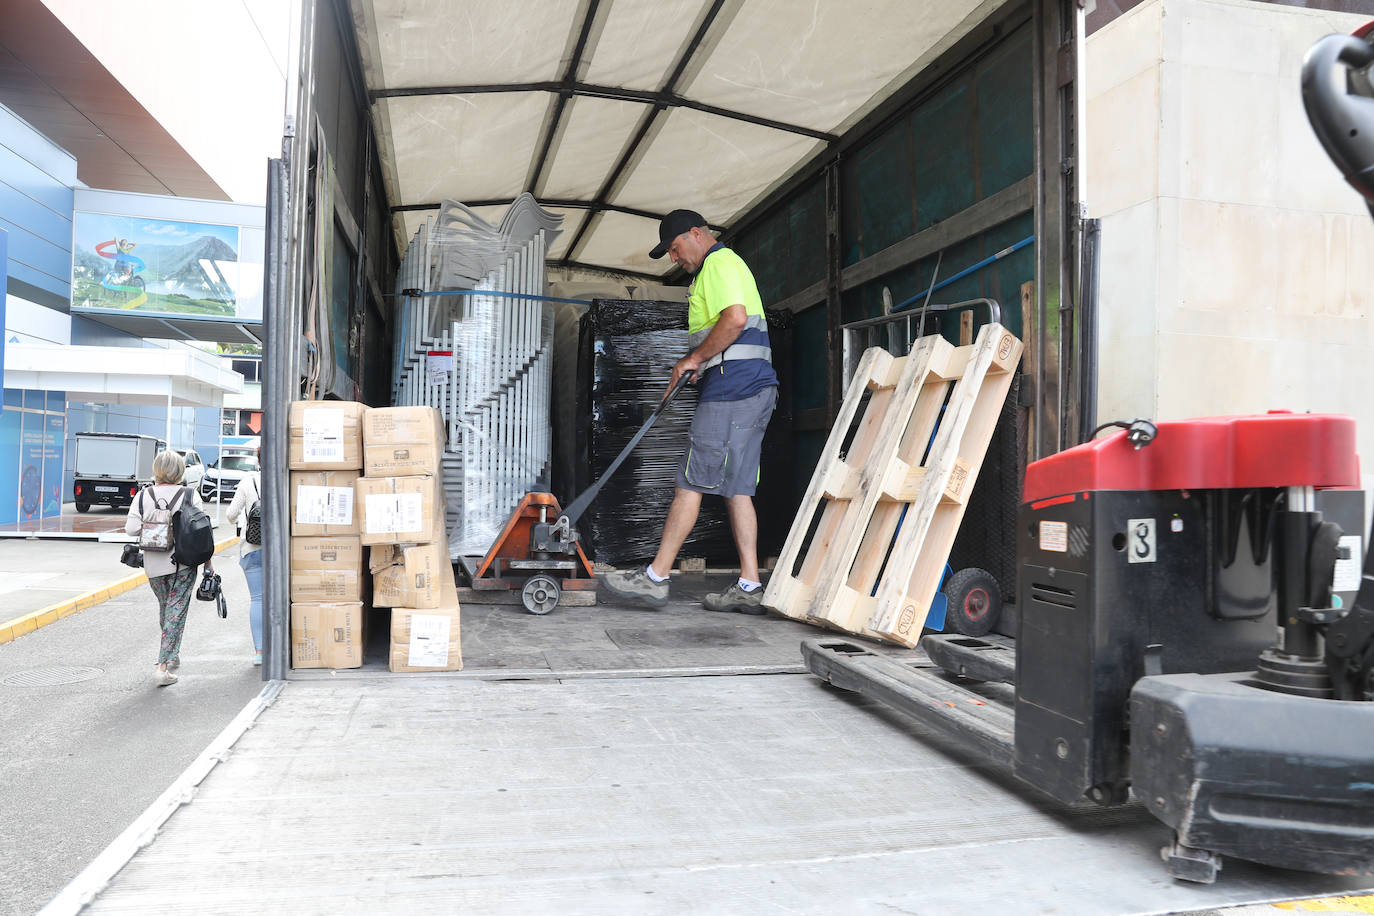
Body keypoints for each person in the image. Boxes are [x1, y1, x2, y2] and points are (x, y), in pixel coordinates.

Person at [600, 209, 779, 615]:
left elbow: (733, 321)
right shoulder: (724, 266)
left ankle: (655, 579)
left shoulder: (718, 262)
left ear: (696, 234)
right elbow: (731, 330)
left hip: (733, 391)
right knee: (737, 489)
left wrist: (694, 358)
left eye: (675, 248)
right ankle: (749, 585)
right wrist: (703, 363)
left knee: (690, 482)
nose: (673, 258)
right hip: (749, 388)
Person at [124, 449, 215, 686]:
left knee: (166, 609)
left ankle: (171, 654)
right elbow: (201, 532)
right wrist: (208, 564)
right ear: (180, 471)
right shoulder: (189, 494)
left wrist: (154, 519)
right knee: (176, 612)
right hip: (183, 563)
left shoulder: (143, 496)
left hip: (153, 564)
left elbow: (131, 529)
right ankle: (162, 667)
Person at [225, 448, 263, 665]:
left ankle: (260, 652)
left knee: (257, 599)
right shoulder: (284, 479)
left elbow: (230, 514)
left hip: (252, 548)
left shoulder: (248, 482)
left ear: (258, 460)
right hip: (278, 552)